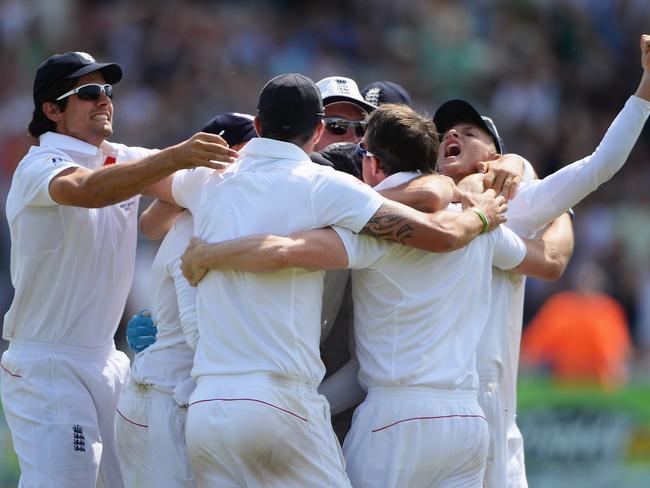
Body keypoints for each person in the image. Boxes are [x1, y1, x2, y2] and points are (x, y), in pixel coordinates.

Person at [177, 103, 565, 487]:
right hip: (461, 417)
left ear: (373, 162)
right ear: (316, 131)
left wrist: (210, 253)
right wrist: (543, 197)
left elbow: (286, 248)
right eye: (335, 124)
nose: (347, 137)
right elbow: (548, 254)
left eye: (356, 130)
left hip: (374, 414)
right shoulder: (347, 184)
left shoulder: (350, 208)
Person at [0, 51, 237, 488]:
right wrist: (174, 158)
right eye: (88, 93)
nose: (104, 101)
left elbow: (189, 186)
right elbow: (87, 190)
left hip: (107, 360)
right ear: (51, 110)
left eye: (107, 92)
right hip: (48, 362)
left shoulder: (122, 156)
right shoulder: (37, 166)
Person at [432, 33, 650, 487]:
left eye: (468, 133)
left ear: (494, 157)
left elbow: (600, 165)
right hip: (426, 405)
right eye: (445, 134)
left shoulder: (518, 204)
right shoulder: (415, 202)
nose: (451, 135)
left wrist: (646, 88)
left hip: (492, 409)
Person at [115, 112, 256, 488]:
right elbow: (197, 332)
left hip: (170, 394)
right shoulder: (198, 225)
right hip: (166, 399)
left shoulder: (205, 216)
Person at [521, 262, 632, 389]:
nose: (587, 287)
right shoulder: (562, 307)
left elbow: (619, 350)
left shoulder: (608, 311)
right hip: (565, 384)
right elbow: (535, 344)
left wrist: (618, 371)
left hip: (599, 385)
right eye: (585, 282)